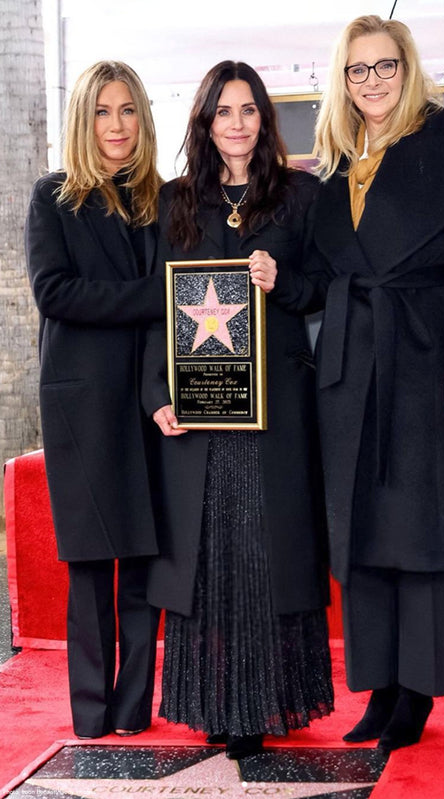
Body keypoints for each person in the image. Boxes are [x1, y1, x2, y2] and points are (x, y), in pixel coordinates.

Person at [275, 15, 444, 753]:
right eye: (356, 70)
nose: (371, 81)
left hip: (425, 360)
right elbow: (323, 278)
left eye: (384, 66)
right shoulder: (334, 165)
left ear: (407, 67)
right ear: (341, 81)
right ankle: (376, 687)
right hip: (347, 368)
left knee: (420, 530)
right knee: (360, 532)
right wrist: (277, 281)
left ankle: (416, 694)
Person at [141, 60, 333, 759]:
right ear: (204, 121)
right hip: (198, 419)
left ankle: (261, 701)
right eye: (224, 111)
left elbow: (324, 289)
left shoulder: (300, 197)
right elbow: (155, 315)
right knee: (207, 559)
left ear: (265, 119)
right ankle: (212, 700)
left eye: (249, 109)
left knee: (262, 554)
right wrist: (156, 394)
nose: (237, 123)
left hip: (276, 411)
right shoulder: (173, 202)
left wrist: (281, 281)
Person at [24, 61, 164, 739]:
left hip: (148, 401)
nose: (117, 124)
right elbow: (55, 292)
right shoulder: (53, 196)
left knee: (142, 561)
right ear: (84, 119)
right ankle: (89, 711)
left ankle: (133, 708)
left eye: (128, 110)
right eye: (104, 111)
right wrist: (151, 295)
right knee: (89, 565)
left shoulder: (159, 201)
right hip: (81, 404)